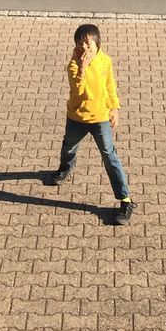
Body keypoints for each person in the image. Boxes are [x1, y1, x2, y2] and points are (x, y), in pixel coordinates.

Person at [49, 23, 136, 225]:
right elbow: (78, 93)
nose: (84, 48)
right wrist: (81, 68)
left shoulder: (105, 61)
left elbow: (109, 85)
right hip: (77, 118)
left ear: (97, 43)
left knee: (109, 156)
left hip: (100, 118)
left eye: (87, 43)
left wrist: (114, 108)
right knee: (69, 146)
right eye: (80, 44)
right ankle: (65, 168)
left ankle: (125, 199)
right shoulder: (73, 65)